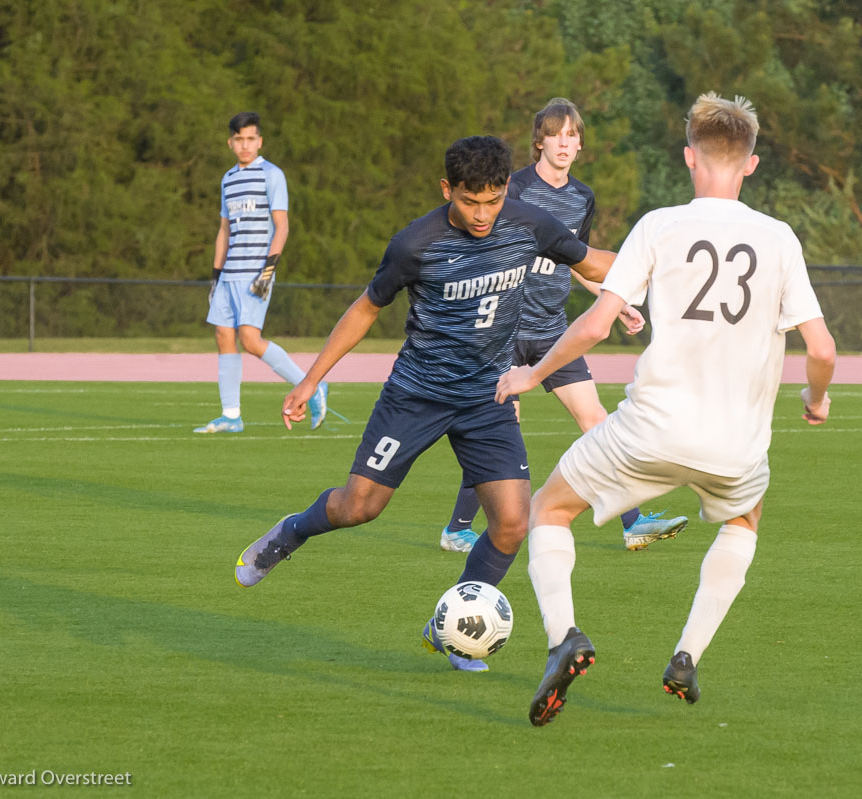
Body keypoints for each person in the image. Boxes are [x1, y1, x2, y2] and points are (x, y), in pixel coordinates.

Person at [495, 92, 837, 726]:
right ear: (752, 165)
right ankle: (686, 654)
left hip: (648, 431)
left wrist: (531, 373)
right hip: (735, 445)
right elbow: (821, 347)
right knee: (744, 519)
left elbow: (598, 325)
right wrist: (815, 401)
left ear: (689, 158)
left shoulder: (659, 224)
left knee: (549, 509)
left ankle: (564, 636)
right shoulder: (780, 238)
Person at [233, 135, 617, 674]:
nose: (482, 214)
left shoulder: (530, 224)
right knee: (358, 507)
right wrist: (309, 380)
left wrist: (661, 262)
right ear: (447, 189)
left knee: (512, 523)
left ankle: (453, 627)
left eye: (492, 200)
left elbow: (595, 265)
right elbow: (366, 310)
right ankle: (291, 531)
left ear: (507, 187)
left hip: (488, 396)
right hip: (416, 395)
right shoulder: (416, 243)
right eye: (469, 201)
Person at [438, 98, 688, 555]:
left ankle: (633, 524)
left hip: (554, 330)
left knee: (597, 422)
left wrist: (616, 304)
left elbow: (577, 261)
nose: (565, 142)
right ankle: (458, 529)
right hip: (505, 331)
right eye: (557, 133)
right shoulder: (512, 189)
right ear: (540, 141)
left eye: (573, 135)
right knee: (502, 429)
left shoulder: (582, 197)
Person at [196, 110, 327, 434]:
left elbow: (282, 225)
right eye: (239, 139)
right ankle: (231, 416)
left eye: (251, 139)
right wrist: (215, 276)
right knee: (224, 336)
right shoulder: (228, 178)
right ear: (230, 143)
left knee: (250, 340)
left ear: (260, 141)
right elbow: (224, 230)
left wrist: (268, 269)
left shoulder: (272, 174)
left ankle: (312, 386)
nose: (245, 145)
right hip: (229, 274)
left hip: (257, 271)